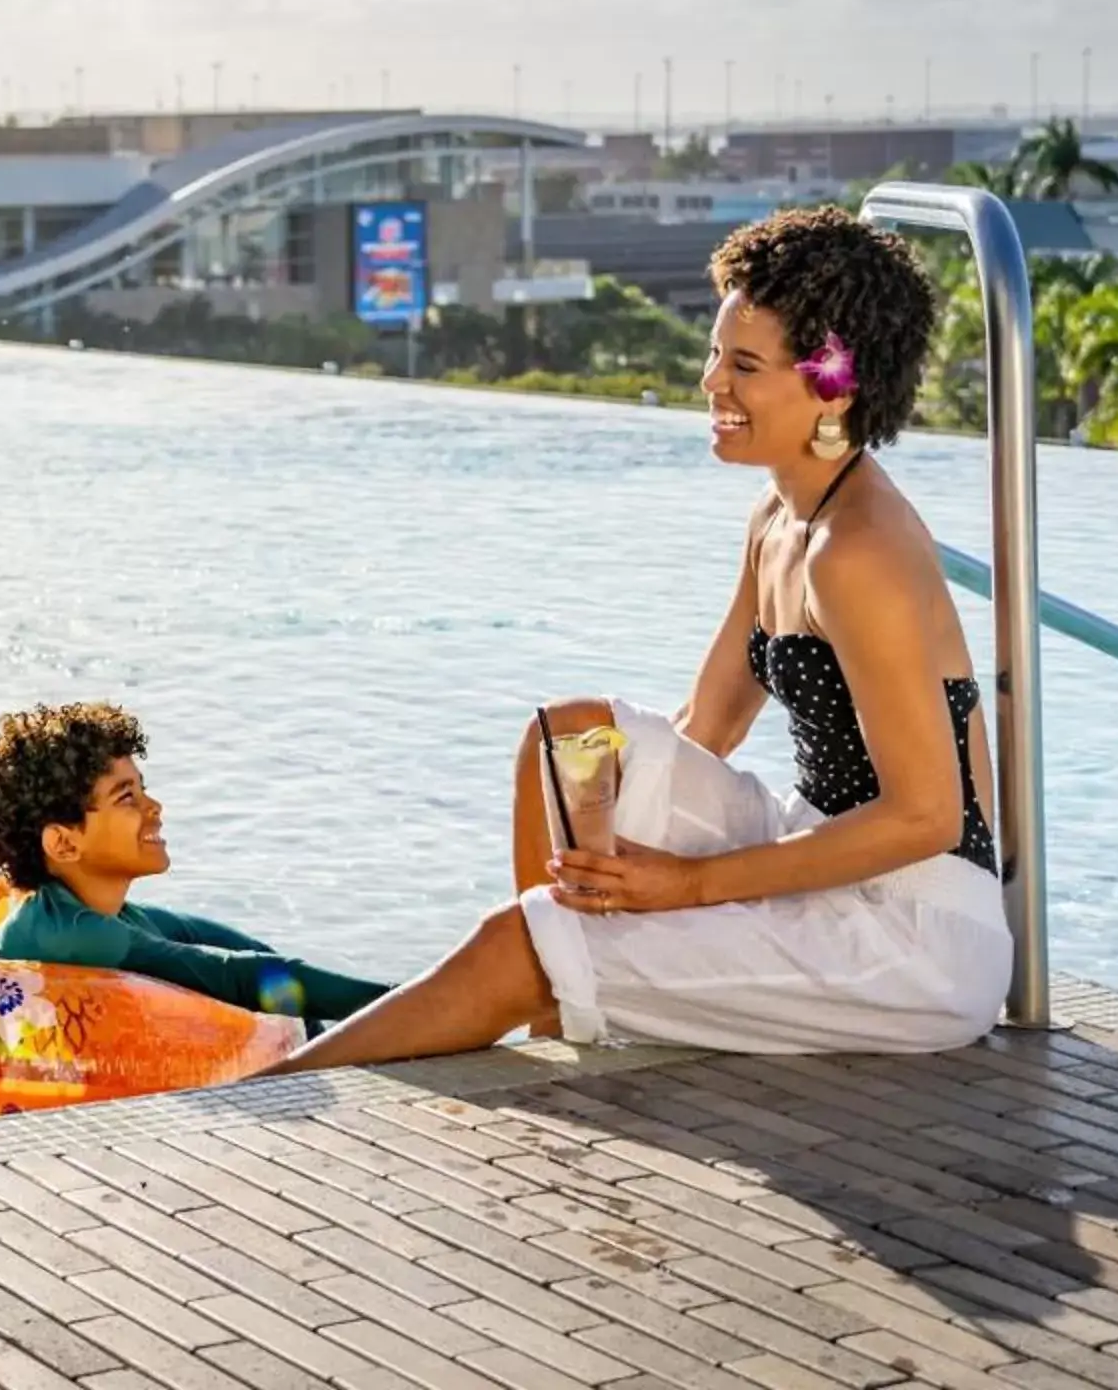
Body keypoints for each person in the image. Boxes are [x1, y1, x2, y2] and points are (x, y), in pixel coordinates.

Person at [276, 206, 1012, 1072]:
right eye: (714, 354)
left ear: (831, 381)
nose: (711, 383)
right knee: (571, 742)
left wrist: (689, 887)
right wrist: (619, 847)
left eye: (743, 365)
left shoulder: (859, 550)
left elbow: (926, 817)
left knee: (521, 943)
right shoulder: (782, 516)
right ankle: (565, 993)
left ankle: (276, 1094)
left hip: (912, 933)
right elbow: (709, 722)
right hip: (820, 846)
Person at [0, 702, 392, 1025]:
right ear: (62, 842)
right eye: (126, 796)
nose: (154, 807)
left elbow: (253, 956)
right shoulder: (68, 931)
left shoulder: (113, 918)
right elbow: (236, 977)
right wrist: (410, 1004)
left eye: (143, 789)